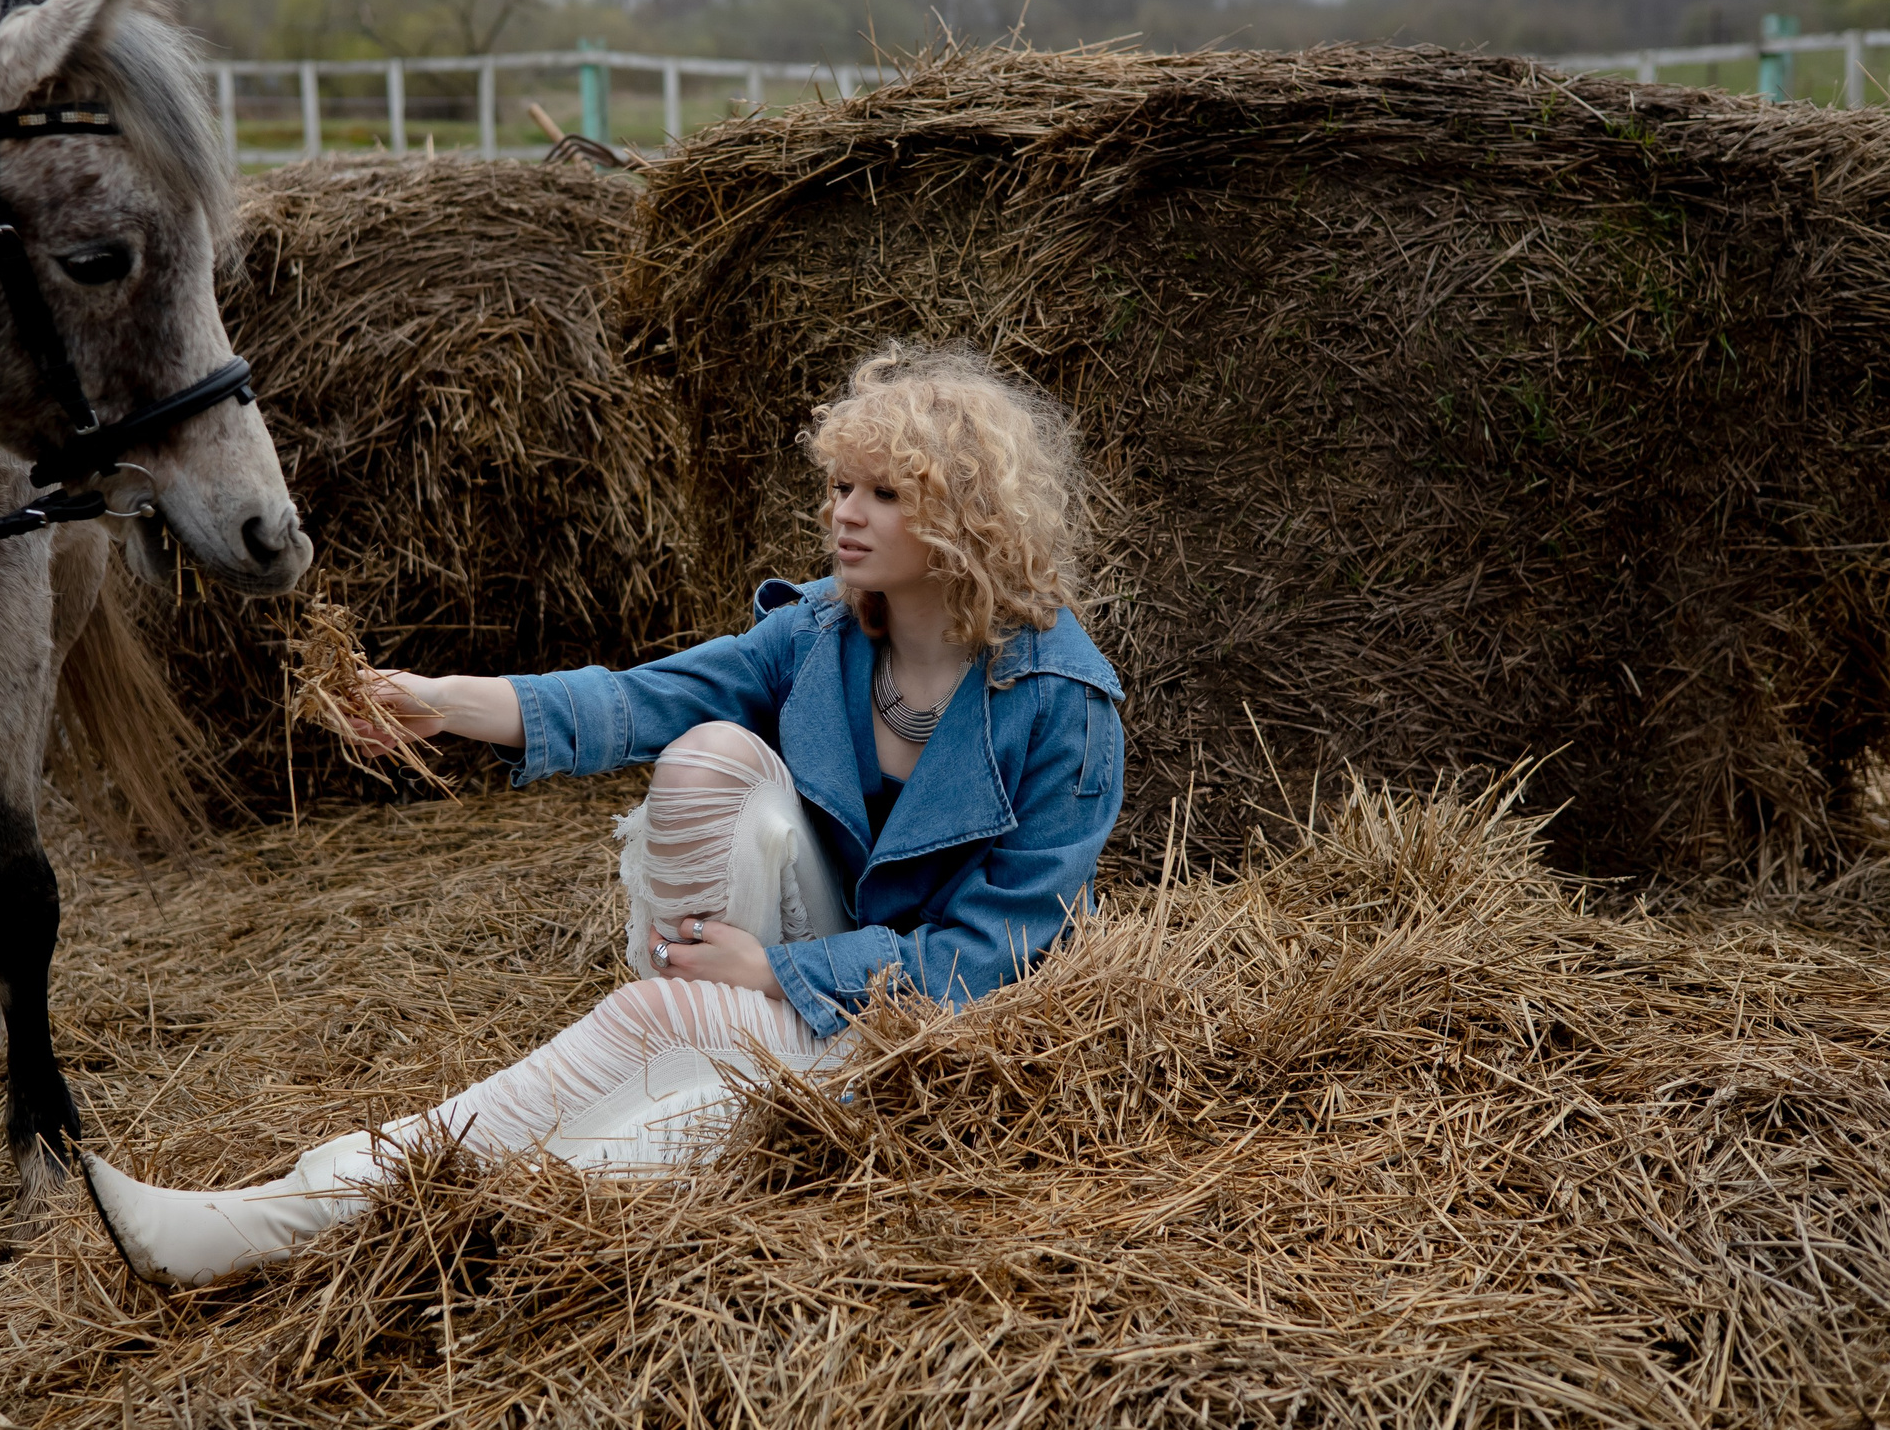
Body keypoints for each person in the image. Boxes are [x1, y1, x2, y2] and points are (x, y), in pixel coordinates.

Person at [83, 345, 1126, 1286]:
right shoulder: (824, 631)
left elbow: (995, 954)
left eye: (883, 494)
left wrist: (777, 972)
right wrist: (447, 702)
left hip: (927, 1036)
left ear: (962, 520)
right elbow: (641, 699)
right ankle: (298, 1206)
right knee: (708, 759)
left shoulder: (1062, 705)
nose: (843, 514)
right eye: (839, 486)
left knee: (631, 1128)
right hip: (811, 973)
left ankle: (290, 1223)